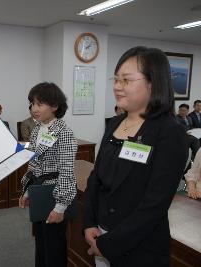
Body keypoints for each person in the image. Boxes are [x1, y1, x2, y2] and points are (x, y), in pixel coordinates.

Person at [83, 46, 188, 266]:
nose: (117, 87)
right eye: (116, 79)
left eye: (126, 80)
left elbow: (155, 204)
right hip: (100, 234)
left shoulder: (170, 133)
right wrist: (89, 223)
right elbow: (96, 179)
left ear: (153, 83)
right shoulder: (115, 123)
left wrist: (108, 244)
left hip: (140, 248)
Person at [19, 82, 77, 267]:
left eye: (39, 104)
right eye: (32, 104)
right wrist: (27, 191)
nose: (34, 109)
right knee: (41, 241)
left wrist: (60, 207)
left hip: (54, 194)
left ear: (54, 106)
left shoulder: (64, 132)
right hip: (39, 192)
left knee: (54, 246)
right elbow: (34, 164)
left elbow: (67, 171)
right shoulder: (37, 129)